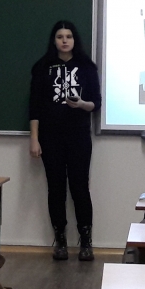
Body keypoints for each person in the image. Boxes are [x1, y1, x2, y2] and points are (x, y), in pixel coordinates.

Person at [29, 20, 102, 261]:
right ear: (54, 40)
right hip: (50, 137)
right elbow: (34, 107)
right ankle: (60, 240)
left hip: (78, 136)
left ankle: (86, 241)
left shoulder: (87, 67)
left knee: (80, 187)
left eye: (68, 36)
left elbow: (95, 104)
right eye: (60, 36)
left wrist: (81, 104)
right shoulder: (42, 67)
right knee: (56, 188)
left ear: (74, 39)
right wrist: (34, 139)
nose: (64, 40)